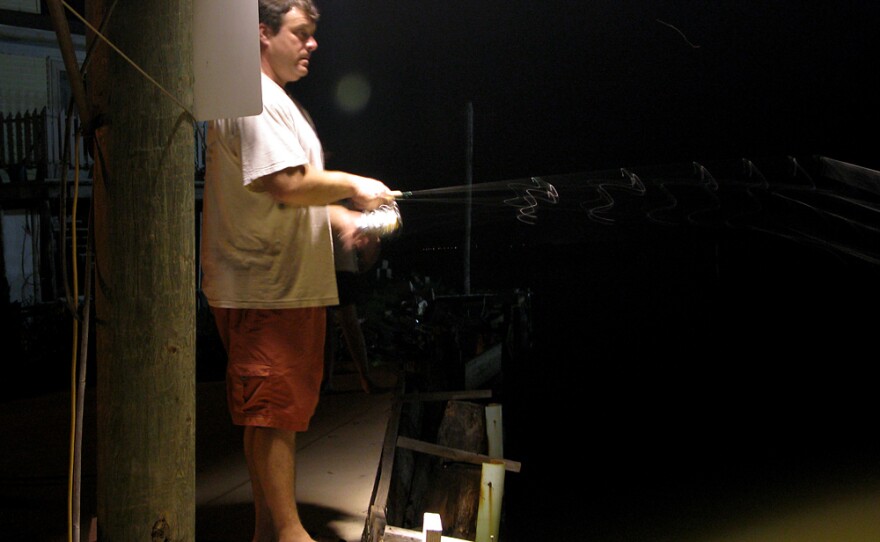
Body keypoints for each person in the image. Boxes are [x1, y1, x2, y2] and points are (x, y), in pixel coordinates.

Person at [199, 1, 396, 541]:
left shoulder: (275, 101)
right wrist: (357, 184)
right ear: (263, 34)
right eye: (301, 34)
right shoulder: (255, 98)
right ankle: (290, 534)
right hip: (266, 286)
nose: (312, 46)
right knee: (272, 412)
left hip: (282, 283)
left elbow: (283, 188)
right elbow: (285, 185)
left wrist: (340, 217)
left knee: (272, 411)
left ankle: (270, 530)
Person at [323, 204, 382, 394]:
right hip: (339, 268)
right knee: (344, 323)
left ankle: (327, 381)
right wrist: (365, 264)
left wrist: (364, 262)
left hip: (329, 268)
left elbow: (373, 242)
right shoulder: (347, 213)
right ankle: (361, 378)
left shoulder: (335, 211)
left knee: (330, 325)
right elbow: (374, 243)